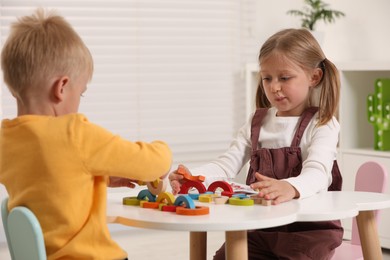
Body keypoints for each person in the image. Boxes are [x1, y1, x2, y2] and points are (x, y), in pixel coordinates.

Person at [0, 8, 172, 260]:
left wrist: (96, 179)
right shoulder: (74, 133)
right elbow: (152, 163)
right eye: (80, 93)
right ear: (62, 87)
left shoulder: (7, 140)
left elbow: (48, 184)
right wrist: (164, 150)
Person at [169, 28, 343, 260]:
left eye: (284, 77)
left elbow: (318, 174)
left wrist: (290, 187)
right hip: (259, 228)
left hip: (307, 232)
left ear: (314, 77)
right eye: (267, 78)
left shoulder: (322, 123)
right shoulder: (257, 122)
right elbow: (226, 166)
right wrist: (194, 176)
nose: (274, 87)